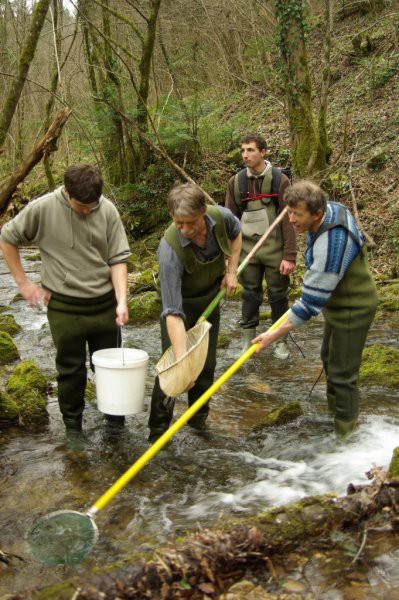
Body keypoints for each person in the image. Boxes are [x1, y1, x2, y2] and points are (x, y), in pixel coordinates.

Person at [0, 164, 131, 433]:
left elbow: (118, 259)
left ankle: (116, 424)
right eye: (81, 205)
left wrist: (122, 301)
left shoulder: (106, 210)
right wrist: (24, 283)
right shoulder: (43, 208)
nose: (88, 210)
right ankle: (73, 428)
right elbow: (7, 237)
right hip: (64, 308)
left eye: (92, 205)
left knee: (109, 368)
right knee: (70, 372)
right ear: (66, 192)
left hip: (105, 305)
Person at [253, 180, 378, 439]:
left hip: (353, 306)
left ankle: (346, 435)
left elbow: (309, 304)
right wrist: (293, 210)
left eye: (297, 214)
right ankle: (336, 416)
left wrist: (272, 335)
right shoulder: (330, 208)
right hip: (336, 303)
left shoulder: (332, 244)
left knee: (343, 372)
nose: (291, 220)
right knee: (327, 359)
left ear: (317, 214)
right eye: (289, 212)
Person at [148, 183, 242, 443]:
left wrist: (231, 270)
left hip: (210, 301)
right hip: (180, 310)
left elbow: (237, 235)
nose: (185, 229)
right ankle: (158, 433)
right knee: (172, 373)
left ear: (203, 212)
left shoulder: (222, 218)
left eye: (190, 223)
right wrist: (183, 362)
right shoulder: (170, 251)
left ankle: (198, 422)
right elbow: (173, 312)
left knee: (207, 366)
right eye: (179, 223)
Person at [225, 133, 297, 359]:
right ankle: (248, 342)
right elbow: (230, 221)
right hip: (247, 250)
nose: (245, 155)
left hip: (275, 248)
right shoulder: (236, 182)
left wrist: (290, 256)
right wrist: (230, 259)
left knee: (278, 294)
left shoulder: (280, 181)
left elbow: (289, 219)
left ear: (263, 152)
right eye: (242, 150)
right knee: (249, 294)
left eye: (250, 150)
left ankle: (279, 341)